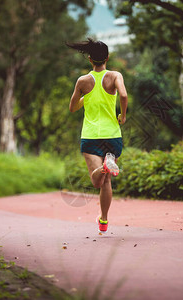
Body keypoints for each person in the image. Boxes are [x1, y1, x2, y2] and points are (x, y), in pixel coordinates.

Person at [66, 38, 128, 234]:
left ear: (90, 59)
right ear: (107, 58)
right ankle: (104, 220)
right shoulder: (115, 76)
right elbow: (124, 96)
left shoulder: (83, 81)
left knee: (96, 182)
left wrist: (87, 97)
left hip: (91, 135)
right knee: (107, 181)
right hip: (112, 135)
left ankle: (103, 167)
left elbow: (72, 108)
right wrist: (123, 116)